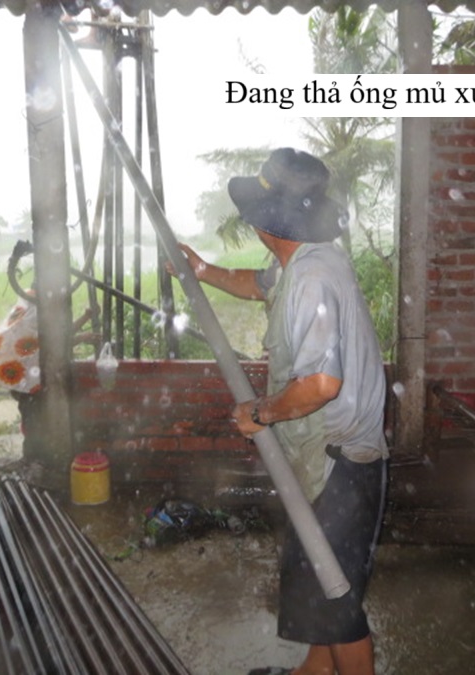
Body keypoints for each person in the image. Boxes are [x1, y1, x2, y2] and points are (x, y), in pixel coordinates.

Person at [173, 148, 388, 675]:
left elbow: (320, 384)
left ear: (267, 220)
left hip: (343, 465)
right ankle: (316, 670)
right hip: (327, 459)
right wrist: (199, 269)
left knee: (337, 598)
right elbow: (257, 285)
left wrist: (261, 412)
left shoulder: (312, 279)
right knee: (317, 576)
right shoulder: (304, 260)